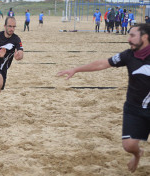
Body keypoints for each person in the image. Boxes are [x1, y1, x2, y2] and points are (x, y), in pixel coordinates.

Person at [57, 23, 150, 173]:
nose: (128, 39)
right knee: (129, 146)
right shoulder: (128, 55)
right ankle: (138, 154)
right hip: (133, 108)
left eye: (132, 35)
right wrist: (76, 69)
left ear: (145, 37)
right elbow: (102, 64)